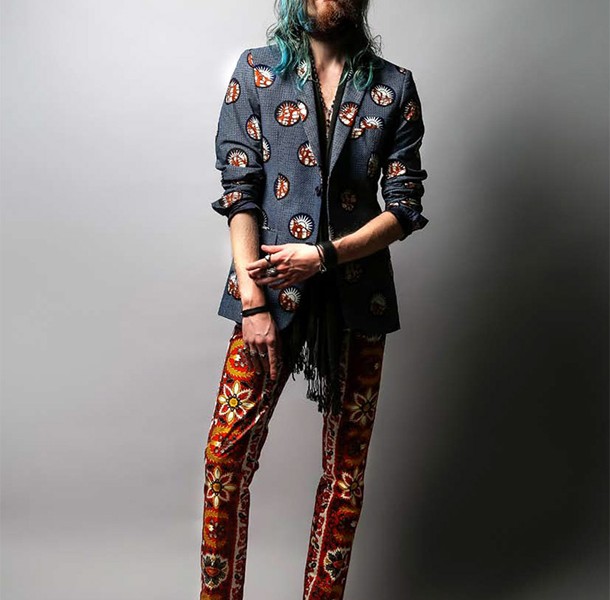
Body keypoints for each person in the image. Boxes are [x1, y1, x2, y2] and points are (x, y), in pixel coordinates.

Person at [200, 0, 429, 597]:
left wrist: (324, 255)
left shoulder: (394, 86)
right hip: (270, 293)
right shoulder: (256, 71)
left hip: (357, 297)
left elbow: (403, 207)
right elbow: (240, 191)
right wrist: (253, 304)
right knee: (225, 462)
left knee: (345, 478)